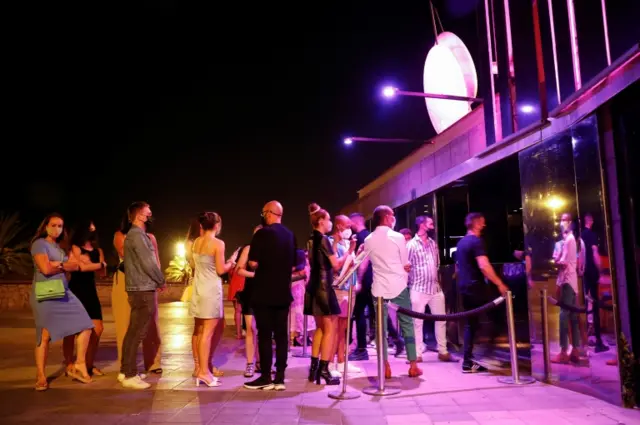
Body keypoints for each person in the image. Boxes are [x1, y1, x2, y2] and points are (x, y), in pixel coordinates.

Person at [30, 213, 95, 391]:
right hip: (45, 294)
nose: (57, 229)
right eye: (53, 225)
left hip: (64, 292)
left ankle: (79, 364)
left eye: (60, 226)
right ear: (45, 226)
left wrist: (56, 263)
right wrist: (61, 264)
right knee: (44, 335)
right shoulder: (39, 244)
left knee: (86, 325)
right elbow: (45, 268)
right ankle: (41, 376)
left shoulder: (60, 247)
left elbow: (75, 266)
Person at [362, 205, 423, 378]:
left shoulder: (368, 239)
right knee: (407, 325)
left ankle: (385, 366)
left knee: (381, 328)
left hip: (379, 288)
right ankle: (413, 365)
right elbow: (405, 262)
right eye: (393, 215)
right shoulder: (398, 237)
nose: (394, 218)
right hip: (399, 287)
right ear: (387, 217)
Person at [243, 201, 297, 391]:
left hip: (264, 291)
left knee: (265, 335)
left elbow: (253, 263)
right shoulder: (290, 235)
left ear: (268, 214)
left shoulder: (262, 233)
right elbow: (293, 263)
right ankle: (280, 377)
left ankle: (265, 376)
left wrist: (256, 263)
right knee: (281, 336)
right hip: (283, 292)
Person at [305, 206, 354, 385]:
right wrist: (348, 253)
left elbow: (320, 260)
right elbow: (334, 265)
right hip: (324, 287)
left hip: (314, 286)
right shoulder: (323, 239)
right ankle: (324, 370)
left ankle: (314, 370)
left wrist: (334, 244)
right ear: (321, 221)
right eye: (328, 219)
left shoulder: (312, 239)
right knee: (330, 329)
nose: (330, 223)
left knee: (319, 328)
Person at [119, 202, 166, 389]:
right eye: (148, 212)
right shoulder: (138, 236)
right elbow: (148, 262)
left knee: (133, 332)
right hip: (142, 289)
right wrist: (161, 280)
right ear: (139, 215)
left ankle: (125, 370)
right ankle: (129, 374)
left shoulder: (134, 235)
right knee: (137, 332)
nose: (151, 214)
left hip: (138, 287)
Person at [456, 212, 508, 373]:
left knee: (471, 325)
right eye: (482, 223)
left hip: (464, 287)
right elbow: (484, 265)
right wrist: (500, 283)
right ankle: (487, 354)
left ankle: (469, 360)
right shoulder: (476, 242)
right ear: (476, 223)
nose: (484, 225)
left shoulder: (461, 243)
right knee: (498, 318)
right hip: (476, 288)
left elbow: (458, 267)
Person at [190, 212, 236, 387]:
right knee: (208, 333)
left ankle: (201, 369)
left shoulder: (196, 242)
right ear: (217, 225)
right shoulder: (218, 243)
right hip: (210, 291)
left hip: (198, 289)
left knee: (200, 331)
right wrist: (231, 263)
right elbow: (220, 269)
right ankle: (203, 372)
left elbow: (194, 265)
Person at [63, 220, 108, 377]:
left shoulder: (98, 250)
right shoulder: (75, 248)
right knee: (71, 330)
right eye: (90, 226)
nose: (93, 229)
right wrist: (100, 265)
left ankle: (88, 364)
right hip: (76, 290)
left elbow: (102, 273)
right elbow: (82, 268)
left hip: (90, 291)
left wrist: (99, 267)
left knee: (98, 328)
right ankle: (70, 363)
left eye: (94, 226)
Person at [407, 215, 453, 362]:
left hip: (435, 289)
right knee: (417, 322)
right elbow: (405, 267)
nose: (433, 227)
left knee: (441, 320)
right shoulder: (411, 245)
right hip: (418, 288)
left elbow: (437, 265)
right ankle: (417, 354)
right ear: (421, 225)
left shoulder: (433, 243)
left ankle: (443, 351)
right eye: (430, 224)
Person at [551, 213, 581, 364]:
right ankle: (575, 349)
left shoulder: (569, 240)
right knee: (573, 316)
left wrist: (556, 261)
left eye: (564, 220)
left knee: (564, 315)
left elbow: (563, 262)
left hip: (567, 281)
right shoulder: (569, 240)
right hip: (570, 281)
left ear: (569, 222)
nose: (562, 222)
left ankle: (564, 351)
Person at [236, 225, 262, 378]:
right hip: (251, 292)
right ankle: (250, 363)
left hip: (267, 292)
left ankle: (262, 362)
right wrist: (254, 275)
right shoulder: (248, 249)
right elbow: (239, 269)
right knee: (251, 329)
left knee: (264, 330)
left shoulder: (271, 250)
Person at [348, 213, 375, 361]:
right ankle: (397, 339)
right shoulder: (370, 236)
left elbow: (363, 261)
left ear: (355, 222)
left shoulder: (359, 238)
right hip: (373, 280)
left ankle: (361, 349)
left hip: (364, 281)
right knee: (375, 312)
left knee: (358, 313)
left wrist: (358, 280)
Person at [581, 213, 608, 352]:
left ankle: (586, 338)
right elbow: (595, 253)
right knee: (596, 305)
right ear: (590, 221)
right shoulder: (591, 235)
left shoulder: (580, 235)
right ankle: (598, 341)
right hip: (592, 272)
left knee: (586, 304)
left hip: (584, 272)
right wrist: (601, 272)